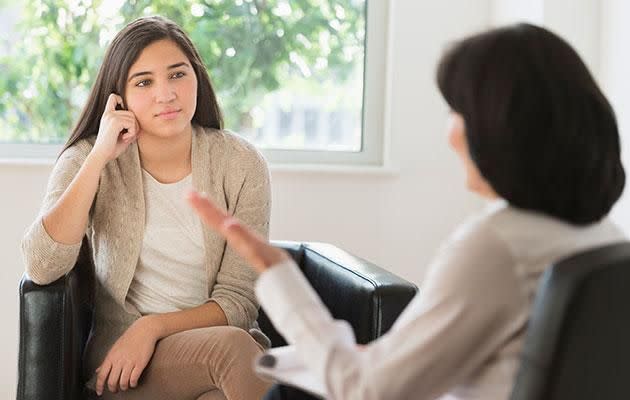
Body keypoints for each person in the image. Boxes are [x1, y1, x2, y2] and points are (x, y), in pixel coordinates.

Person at [186, 23, 626, 400]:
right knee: (294, 376)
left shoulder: (496, 246)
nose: (450, 134)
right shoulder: (602, 236)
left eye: (457, 112)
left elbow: (366, 392)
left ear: (499, 128)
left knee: (289, 384)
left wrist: (277, 272)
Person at [21, 16, 272, 400]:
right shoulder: (89, 159)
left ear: (197, 78)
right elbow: (42, 265)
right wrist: (99, 156)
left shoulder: (241, 164)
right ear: (117, 97)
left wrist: (152, 326)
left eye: (177, 75)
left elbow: (239, 300)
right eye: (144, 82)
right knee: (237, 351)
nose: (166, 94)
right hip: (127, 368)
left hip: (213, 357)